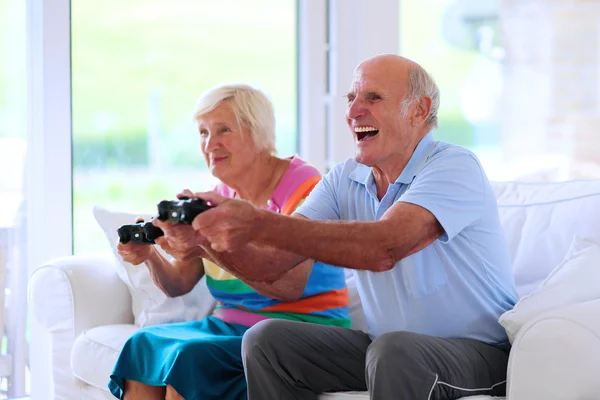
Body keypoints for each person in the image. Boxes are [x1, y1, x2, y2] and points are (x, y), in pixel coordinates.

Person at [183, 54, 519, 400]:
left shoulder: (453, 166)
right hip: (385, 349)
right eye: (351, 99)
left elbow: (384, 248)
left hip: (479, 354)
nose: (354, 111)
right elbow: (271, 266)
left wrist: (257, 222)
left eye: (373, 98)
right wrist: (201, 242)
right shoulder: (344, 178)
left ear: (419, 111)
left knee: (394, 351)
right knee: (267, 342)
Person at [108, 84, 350, 400]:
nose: (211, 144)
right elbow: (179, 282)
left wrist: (205, 244)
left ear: (259, 132)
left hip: (296, 332)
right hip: (229, 327)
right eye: (203, 133)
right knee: (142, 346)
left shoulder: (304, 186)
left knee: (190, 357)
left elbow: (288, 285)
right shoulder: (218, 197)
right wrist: (149, 256)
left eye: (224, 130)